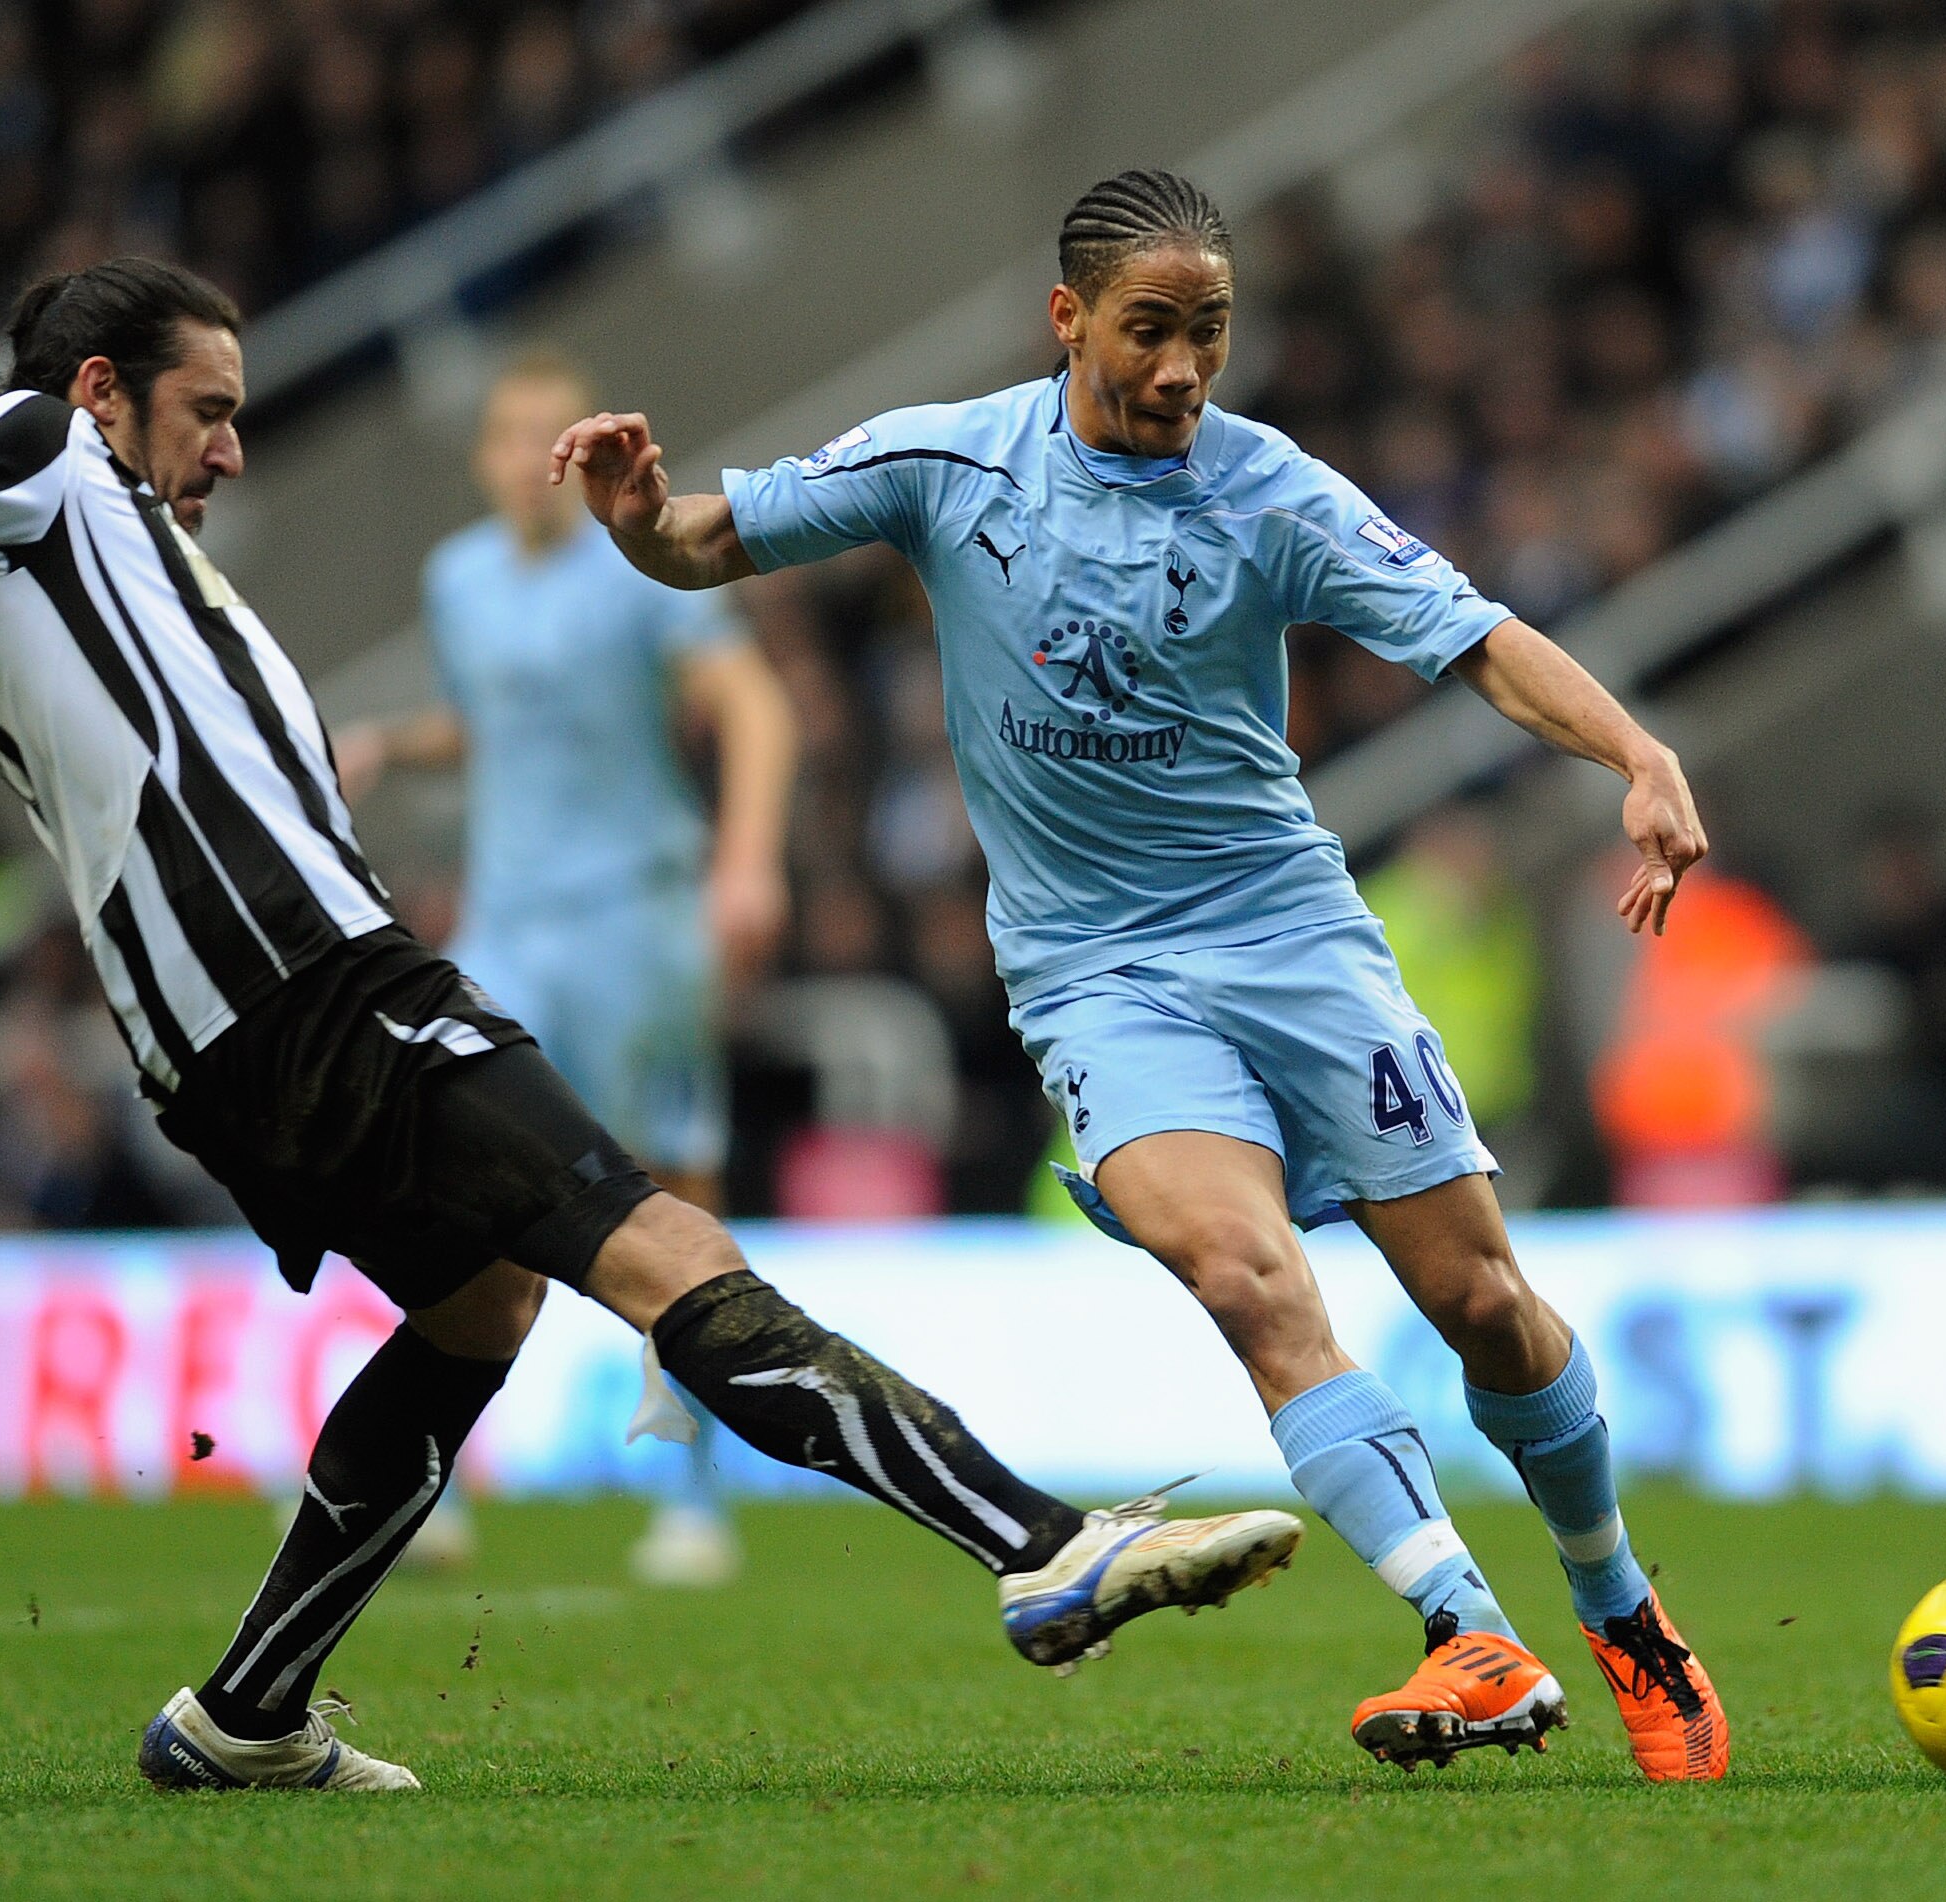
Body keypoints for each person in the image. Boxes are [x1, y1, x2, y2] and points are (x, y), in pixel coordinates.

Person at [0, 256, 1300, 1794]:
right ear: (103, 390)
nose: (232, 448)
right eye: (208, 410)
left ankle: (246, 1711)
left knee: (481, 1300)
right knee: (663, 1247)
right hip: (305, 987)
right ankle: (1039, 1541)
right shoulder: (32, 452)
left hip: (269, 1005)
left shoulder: (103, 550)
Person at [555, 169, 1730, 1781]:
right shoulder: (948, 464)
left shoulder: (1271, 494)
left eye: (1212, 332)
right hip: (1097, 977)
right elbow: (710, 533)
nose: (1184, 368)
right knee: (1249, 1282)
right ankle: (1467, 1628)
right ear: (1070, 320)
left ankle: (1621, 1609)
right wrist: (636, 522)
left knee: (1482, 1306)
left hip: (1294, 939)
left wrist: (1637, 751)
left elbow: (1473, 636)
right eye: (1151, 331)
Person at [334, 349, 796, 1589]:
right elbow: (491, 722)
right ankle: (425, 1487)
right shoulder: (461, 581)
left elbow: (753, 705)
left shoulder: (639, 568)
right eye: (510, 434)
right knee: (462, 1184)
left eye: (554, 431)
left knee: (669, 1190)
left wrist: (746, 861)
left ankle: (693, 1492)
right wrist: (386, 743)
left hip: (636, 912)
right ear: (488, 458)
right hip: (507, 925)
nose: (532, 459)